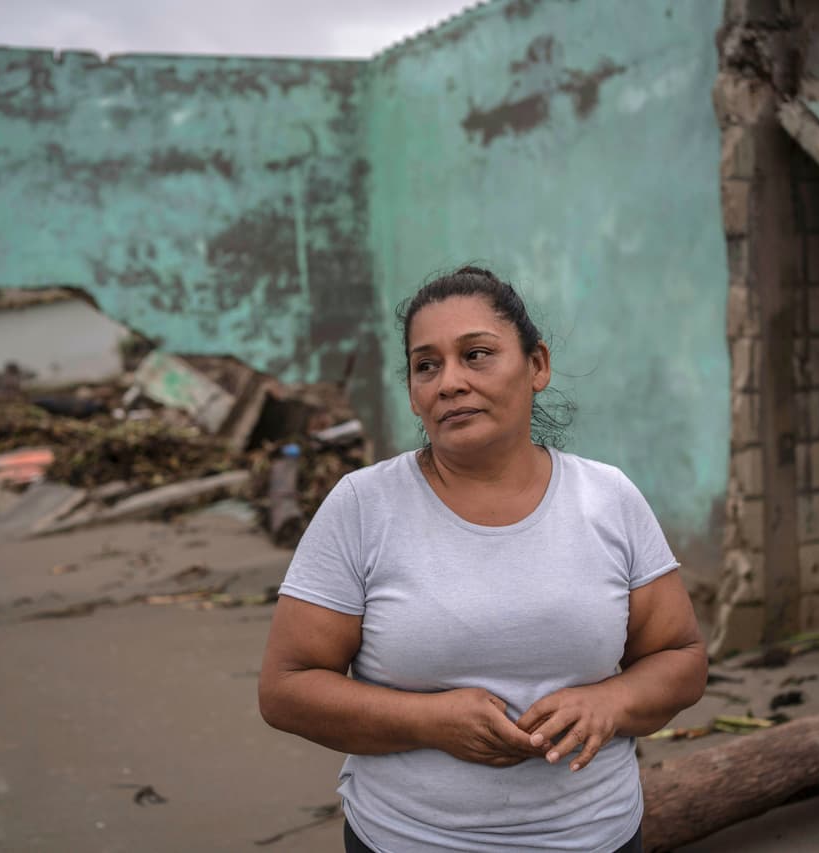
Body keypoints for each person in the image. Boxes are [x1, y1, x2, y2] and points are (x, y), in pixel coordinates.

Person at [259, 266, 707, 852]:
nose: (449, 383)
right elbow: (285, 688)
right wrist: (429, 722)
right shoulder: (364, 506)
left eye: (476, 355)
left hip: (595, 837)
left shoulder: (608, 498)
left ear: (537, 366)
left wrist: (611, 701)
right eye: (427, 365)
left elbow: (681, 659)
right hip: (406, 839)